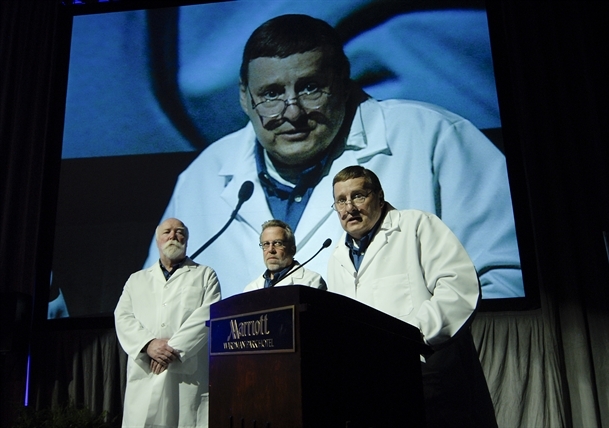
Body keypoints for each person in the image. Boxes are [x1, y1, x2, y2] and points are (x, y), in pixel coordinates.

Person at [146, 13, 522, 301]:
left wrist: (421, 347)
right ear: (245, 97)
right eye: (271, 94)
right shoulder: (202, 176)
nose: (292, 112)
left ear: (343, 80)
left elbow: (508, 275)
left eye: (310, 88)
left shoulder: (433, 138)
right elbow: (157, 296)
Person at [327, 165, 496, 427]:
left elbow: (458, 286)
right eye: (341, 200)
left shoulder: (416, 225)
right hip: (370, 380)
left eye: (358, 196)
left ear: (379, 198)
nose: (349, 208)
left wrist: (412, 338)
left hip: (425, 371)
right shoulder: (336, 257)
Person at [115, 218, 221, 427]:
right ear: (157, 240)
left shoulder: (205, 275)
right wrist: (149, 344)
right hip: (146, 369)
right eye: (167, 232)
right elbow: (123, 317)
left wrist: (171, 350)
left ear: (186, 240)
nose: (173, 236)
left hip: (185, 371)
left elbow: (207, 315)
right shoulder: (136, 280)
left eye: (179, 232)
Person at [244, 219, 326, 291]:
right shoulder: (250, 289)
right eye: (266, 244)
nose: (270, 250)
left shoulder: (312, 282)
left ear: (292, 250)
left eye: (278, 243)